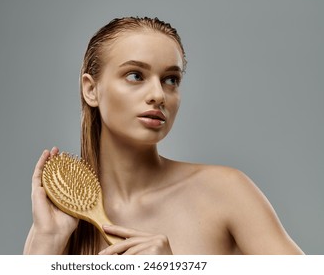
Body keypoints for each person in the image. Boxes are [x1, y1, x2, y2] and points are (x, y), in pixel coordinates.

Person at [23, 17, 304, 255]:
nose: (158, 95)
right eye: (135, 76)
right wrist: (45, 244)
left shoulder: (226, 193)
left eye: (171, 79)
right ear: (91, 90)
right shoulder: (59, 225)